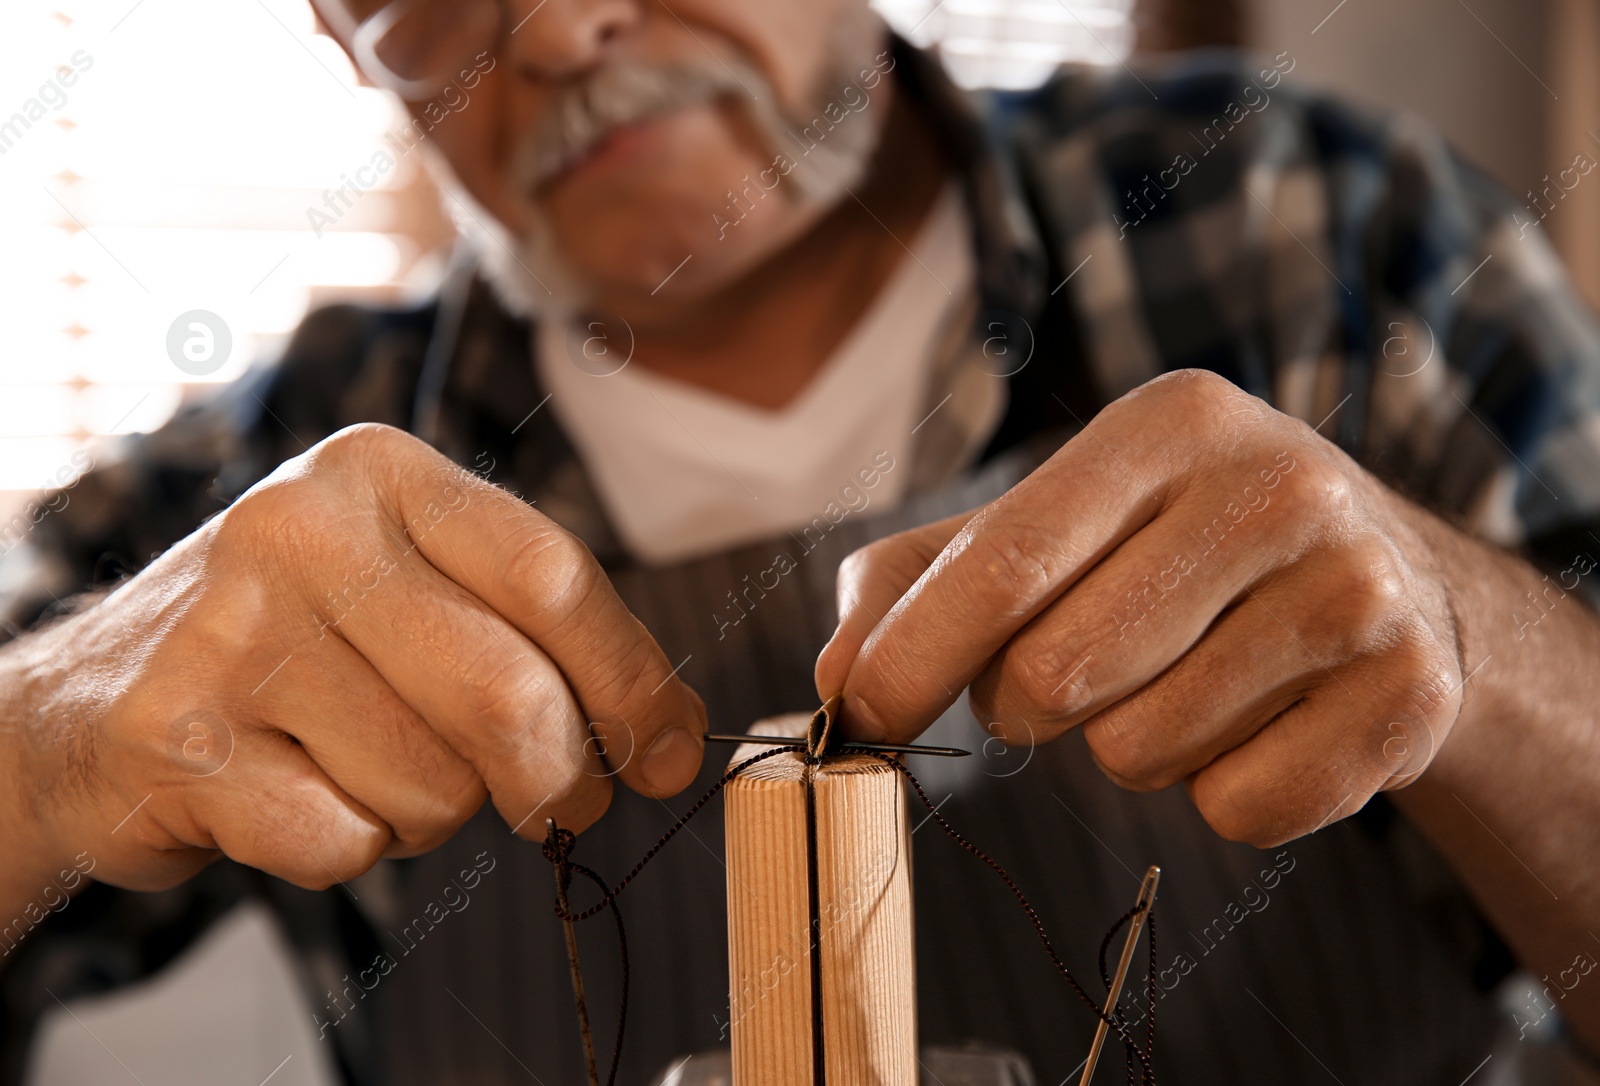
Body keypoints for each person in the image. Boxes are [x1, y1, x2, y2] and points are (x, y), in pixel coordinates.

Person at [2, 0, 1599, 1082]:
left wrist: (1480, 649)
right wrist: (44, 743)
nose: (556, 29)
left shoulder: (1317, 239)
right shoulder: (250, 485)